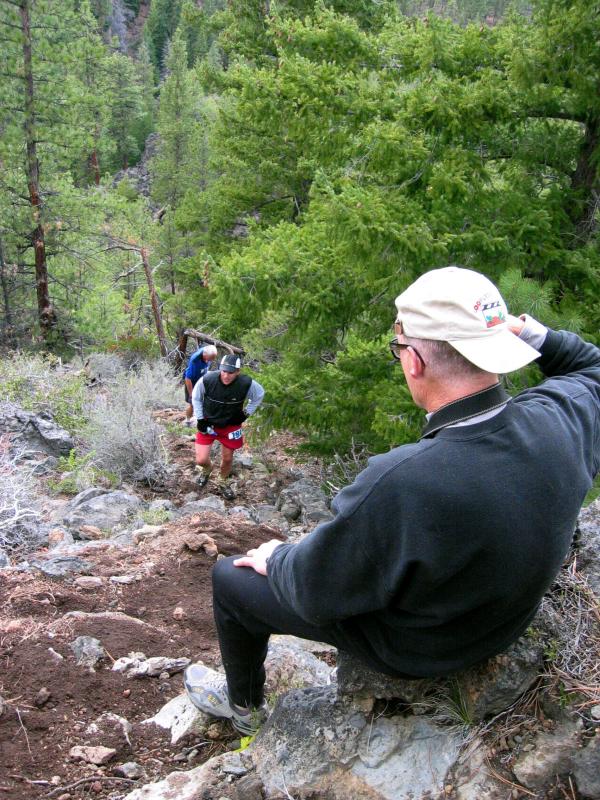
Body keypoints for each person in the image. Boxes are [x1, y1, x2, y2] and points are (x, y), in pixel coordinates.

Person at [184, 266, 600, 736]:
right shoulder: (564, 420)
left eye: (399, 349)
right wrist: (527, 331)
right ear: (497, 345)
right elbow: (593, 367)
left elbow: (314, 593)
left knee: (229, 579)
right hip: (504, 624)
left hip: (420, 650)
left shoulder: (402, 480)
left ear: (414, 361)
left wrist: (277, 558)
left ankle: (244, 710)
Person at [192, 354, 265, 500]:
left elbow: (259, 394)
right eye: (224, 371)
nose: (226, 375)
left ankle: (223, 480)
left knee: (227, 458)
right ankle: (207, 470)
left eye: (230, 373)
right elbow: (196, 397)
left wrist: (246, 413)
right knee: (201, 460)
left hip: (231, 424)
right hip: (208, 422)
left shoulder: (246, 383)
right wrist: (200, 419)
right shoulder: (208, 379)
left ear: (238, 372)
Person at [183, 344, 218, 426]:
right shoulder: (195, 361)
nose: (212, 360)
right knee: (192, 403)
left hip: (202, 380)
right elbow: (188, 379)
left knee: (207, 400)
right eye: (210, 358)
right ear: (204, 355)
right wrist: (191, 394)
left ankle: (205, 420)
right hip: (192, 382)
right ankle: (188, 421)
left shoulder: (208, 351)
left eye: (213, 358)